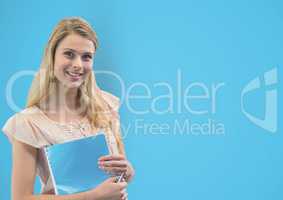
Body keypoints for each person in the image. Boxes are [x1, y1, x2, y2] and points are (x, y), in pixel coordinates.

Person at [2, 17, 135, 200]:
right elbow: (20, 198)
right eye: (69, 54)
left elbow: (118, 175)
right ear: (52, 56)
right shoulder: (28, 123)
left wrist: (127, 172)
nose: (78, 65)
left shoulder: (107, 106)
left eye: (86, 57)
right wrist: (93, 196)